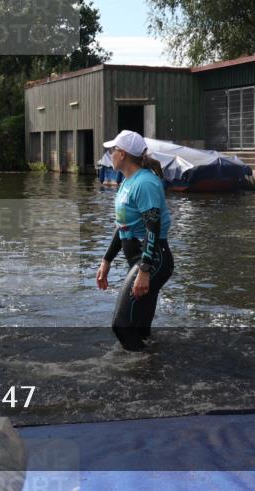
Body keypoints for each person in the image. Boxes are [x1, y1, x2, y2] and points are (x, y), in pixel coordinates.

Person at [95, 130, 174, 351]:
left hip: (153, 261)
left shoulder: (145, 183)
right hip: (142, 261)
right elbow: (123, 227)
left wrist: (145, 270)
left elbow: (153, 228)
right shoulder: (127, 182)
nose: (109, 154)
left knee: (121, 326)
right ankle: (151, 367)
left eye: (112, 150)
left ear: (122, 153)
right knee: (140, 330)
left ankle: (141, 371)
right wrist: (107, 260)